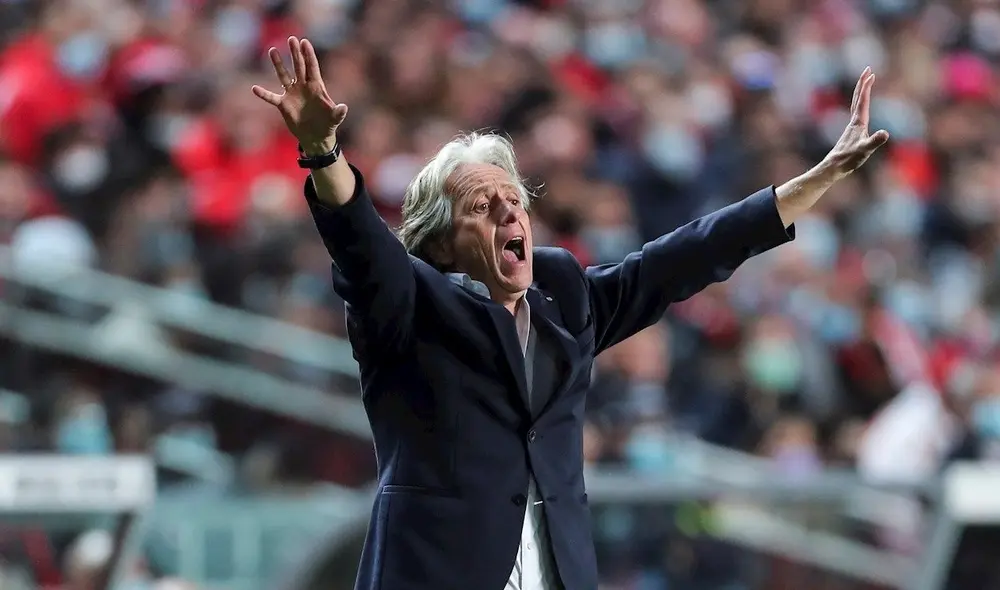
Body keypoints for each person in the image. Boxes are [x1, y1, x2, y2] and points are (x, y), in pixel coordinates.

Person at [253, 36, 889, 590]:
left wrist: (807, 185)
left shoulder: (564, 299)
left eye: (515, 199)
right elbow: (361, 241)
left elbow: (680, 259)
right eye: (482, 206)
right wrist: (322, 150)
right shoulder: (408, 305)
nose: (510, 213)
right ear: (441, 241)